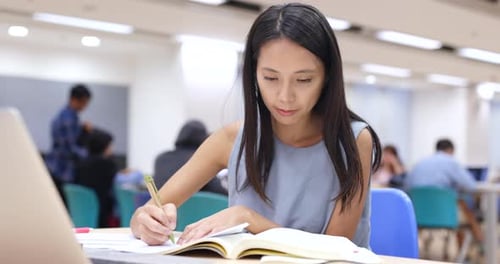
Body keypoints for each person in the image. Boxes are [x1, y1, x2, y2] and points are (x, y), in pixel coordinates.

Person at [130, 3, 382, 248]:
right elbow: (149, 210)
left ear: (327, 77)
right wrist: (146, 222)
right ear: (254, 74)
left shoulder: (354, 141)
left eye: (304, 79)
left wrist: (248, 219)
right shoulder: (232, 138)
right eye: (270, 78)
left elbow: (335, 249)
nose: (285, 96)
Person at [405, 138, 483, 243]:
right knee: (465, 207)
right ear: (451, 150)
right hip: (446, 216)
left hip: (419, 216)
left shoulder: (419, 163)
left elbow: (407, 187)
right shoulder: (451, 162)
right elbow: (471, 186)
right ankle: (481, 246)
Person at [45, 83, 92, 205]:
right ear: (75, 99)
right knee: (63, 207)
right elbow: (70, 148)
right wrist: (87, 155)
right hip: (62, 170)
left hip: (55, 167)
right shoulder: (69, 119)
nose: (85, 106)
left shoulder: (62, 115)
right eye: (84, 102)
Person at [153, 120, 227, 195]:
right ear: (204, 138)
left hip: (164, 205)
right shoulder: (201, 159)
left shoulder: (161, 158)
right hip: (199, 205)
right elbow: (218, 190)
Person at [75, 129, 117, 228]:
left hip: (83, 210)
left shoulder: (80, 163)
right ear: (104, 146)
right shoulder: (107, 164)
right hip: (101, 211)